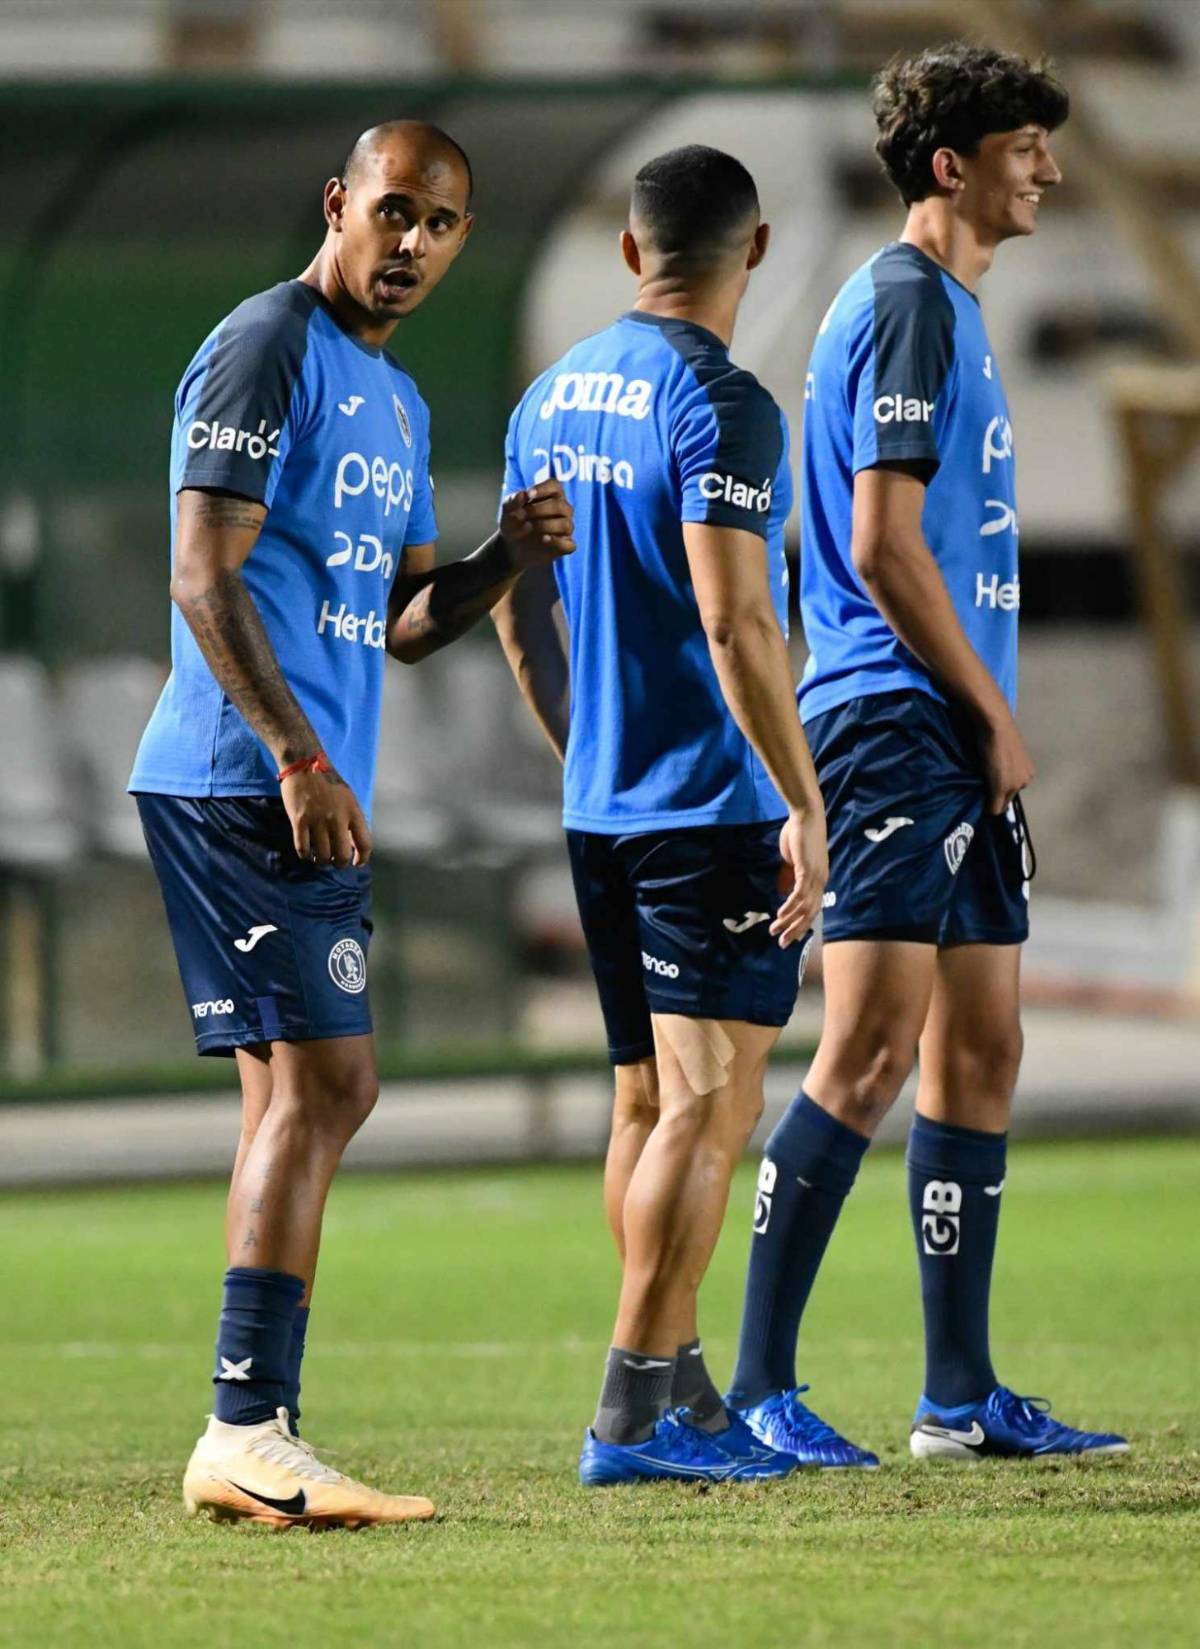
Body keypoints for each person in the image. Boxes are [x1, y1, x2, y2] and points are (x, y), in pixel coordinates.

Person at [128, 120, 575, 1528]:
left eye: (442, 227)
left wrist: (507, 552)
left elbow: (404, 623)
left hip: (299, 786)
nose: (415, 246)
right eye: (395, 213)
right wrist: (297, 752)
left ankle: (259, 1427)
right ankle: (245, 1424)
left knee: (291, 1096)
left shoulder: (395, 400)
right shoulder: (266, 343)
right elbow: (205, 572)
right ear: (340, 203)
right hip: (240, 776)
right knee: (334, 1085)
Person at [726, 43, 1128, 1462]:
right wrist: (996, 713)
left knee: (983, 1045)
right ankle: (758, 1384)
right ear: (954, 163)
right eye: (1027, 144)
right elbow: (886, 547)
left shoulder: (944, 312)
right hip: (901, 716)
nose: (1050, 169)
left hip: (943, 725)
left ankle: (958, 1395)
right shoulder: (901, 307)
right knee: (871, 1044)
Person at [493, 145, 827, 1485]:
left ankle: (680, 1382)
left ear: (631, 253)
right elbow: (738, 617)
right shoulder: (724, 402)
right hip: (712, 806)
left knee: (642, 1096)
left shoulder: (544, 401)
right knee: (712, 1103)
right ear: (751, 254)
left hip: (604, 804)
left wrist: (583, 749)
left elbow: (522, 612)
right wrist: (802, 798)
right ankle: (631, 1409)